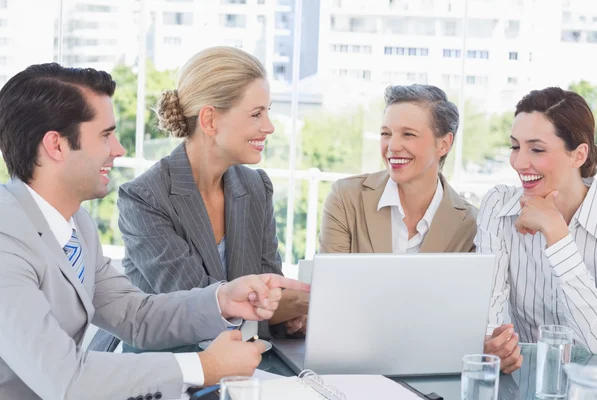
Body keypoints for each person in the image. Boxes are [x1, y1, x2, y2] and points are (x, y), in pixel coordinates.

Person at [0, 62, 309, 400]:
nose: (118, 149)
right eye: (105, 135)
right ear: (56, 145)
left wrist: (222, 300)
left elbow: (136, 315)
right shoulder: (6, 241)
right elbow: (67, 379)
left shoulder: (76, 225)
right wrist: (204, 366)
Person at [90, 46, 308, 354]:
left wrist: (291, 316)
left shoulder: (256, 187)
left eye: (268, 112)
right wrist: (289, 302)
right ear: (209, 120)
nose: (269, 126)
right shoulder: (145, 198)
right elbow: (194, 310)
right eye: (257, 114)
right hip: (166, 367)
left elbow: (270, 291)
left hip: (245, 362)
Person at [476, 87, 597, 374]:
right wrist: (494, 348)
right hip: (522, 383)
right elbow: (489, 321)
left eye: (537, 149)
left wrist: (557, 234)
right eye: (515, 147)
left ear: (578, 154)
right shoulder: (499, 207)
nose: (519, 163)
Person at [319, 84, 477, 255]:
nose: (392, 146)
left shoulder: (471, 224)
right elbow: (332, 279)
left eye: (408, 134)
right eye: (386, 134)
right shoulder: (346, 198)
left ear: (443, 144)